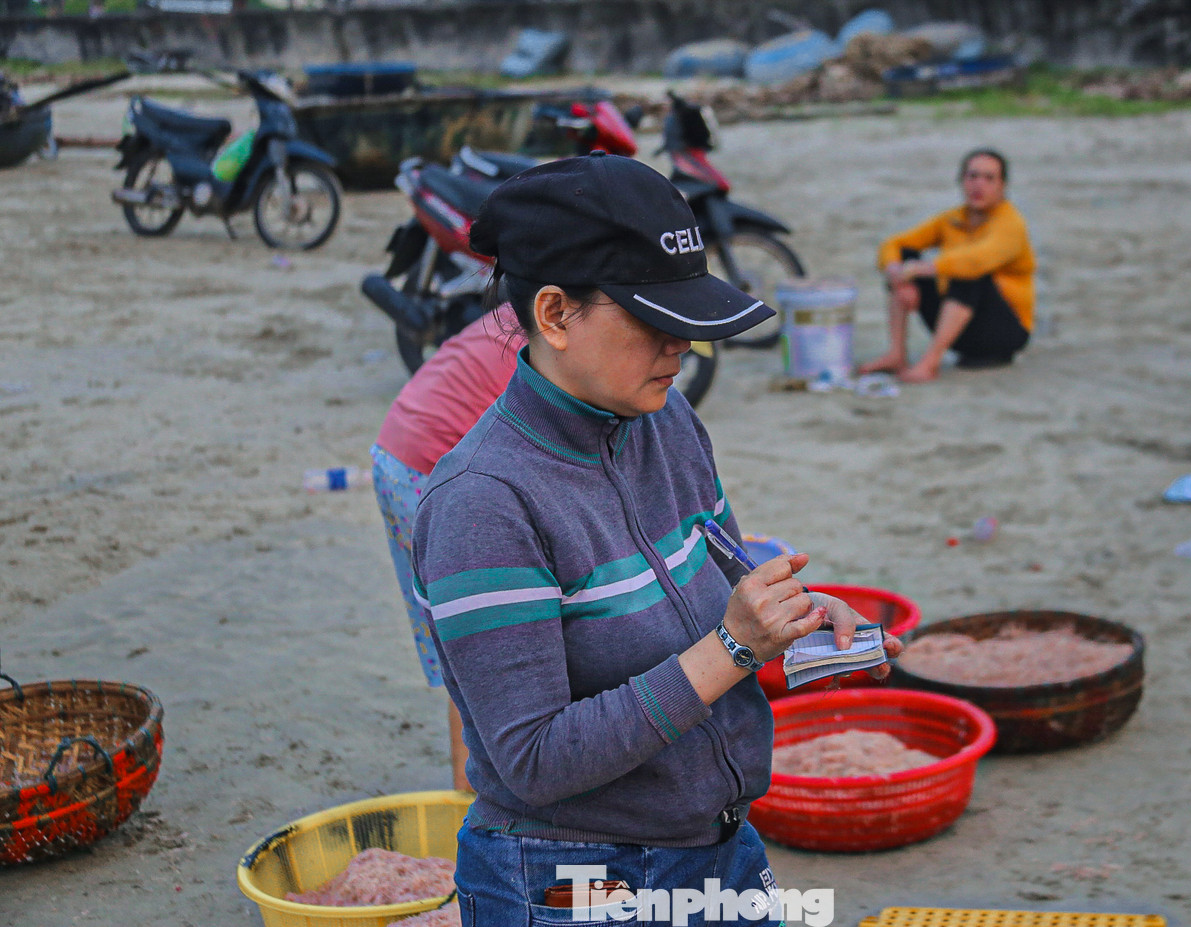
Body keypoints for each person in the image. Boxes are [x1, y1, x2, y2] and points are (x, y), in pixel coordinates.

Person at [411, 152, 902, 923]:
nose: (683, 345)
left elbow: (724, 583)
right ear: (555, 314)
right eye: (656, 320)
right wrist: (734, 647)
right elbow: (533, 758)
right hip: (570, 877)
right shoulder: (482, 502)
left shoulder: (666, 421)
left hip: (716, 843)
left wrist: (799, 619)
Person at [370, 303, 521, 792]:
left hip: (402, 444)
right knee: (473, 634)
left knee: (467, 634)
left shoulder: (534, 302)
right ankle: (469, 788)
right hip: (425, 462)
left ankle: (472, 783)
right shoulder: (561, 340)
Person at [859, 148, 1036, 382]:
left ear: (1002, 186)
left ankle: (930, 363)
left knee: (967, 274)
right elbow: (894, 243)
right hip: (962, 325)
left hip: (1003, 331)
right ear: (961, 181)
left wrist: (921, 269)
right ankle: (896, 353)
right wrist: (896, 273)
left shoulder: (1010, 223)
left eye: (989, 178)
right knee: (904, 256)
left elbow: (976, 261)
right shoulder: (954, 218)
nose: (978, 185)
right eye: (972, 176)